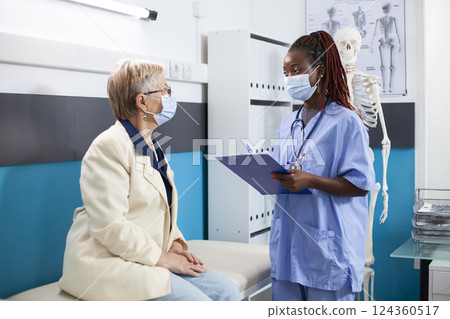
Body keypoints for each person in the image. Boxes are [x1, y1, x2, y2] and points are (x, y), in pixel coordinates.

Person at [59, 58, 239, 301]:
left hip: (142, 256)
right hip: (109, 263)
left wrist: (175, 243)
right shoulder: (108, 146)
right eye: (165, 90)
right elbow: (110, 225)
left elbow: (157, 211)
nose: (169, 96)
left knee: (226, 291)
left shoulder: (152, 144)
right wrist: (164, 259)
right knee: (198, 304)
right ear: (142, 101)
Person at [270, 31, 376, 301]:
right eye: (286, 71)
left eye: (296, 70)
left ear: (319, 71)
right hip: (287, 246)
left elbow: (360, 185)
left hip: (327, 246)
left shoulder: (346, 122)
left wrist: (311, 181)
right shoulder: (288, 124)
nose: (290, 78)